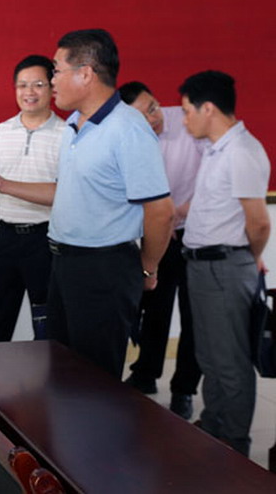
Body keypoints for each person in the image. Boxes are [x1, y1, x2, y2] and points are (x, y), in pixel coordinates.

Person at [0, 29, 174, 379]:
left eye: (57, 71)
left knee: (95, 380)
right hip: (64, 263)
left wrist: (148, 268)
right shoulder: (77, 125)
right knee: (62, 371)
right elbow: (64, 192)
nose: (52, 81)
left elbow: (160, 211)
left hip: (104, 267)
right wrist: (0, 184)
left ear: (86, 73)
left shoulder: (127, 128)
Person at [179, 70, 271, 457]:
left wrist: (249, 258)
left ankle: (235, 446)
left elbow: (259, 222)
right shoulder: (216, 149)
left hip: (224, 267)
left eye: (187, 111)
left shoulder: (242, 152)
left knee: (229, 362)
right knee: (210, 357)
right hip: (204, 266)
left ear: (209, 109)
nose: (185, 120)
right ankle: (215, 430)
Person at [118, 82, 204, 420]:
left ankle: (184, 389)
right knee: (153, 306)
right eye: (144, 114)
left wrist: (180, 212)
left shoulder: (186, 122)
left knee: (193, 314)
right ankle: (145, 373)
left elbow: (213, 177)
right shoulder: (128, 134)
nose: (154, 117)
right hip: (156, 233)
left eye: (153, 106)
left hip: (195, 231)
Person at [0, 55, 66, 342]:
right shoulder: (0, 132)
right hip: (3, 238)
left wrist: (3, 185)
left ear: (52, 87)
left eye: (38, 84)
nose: (29, 92)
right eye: (22, 85)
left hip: (47, 240)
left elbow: (65, 194)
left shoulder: (67, 134)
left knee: (49, 327)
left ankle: (51, 373)